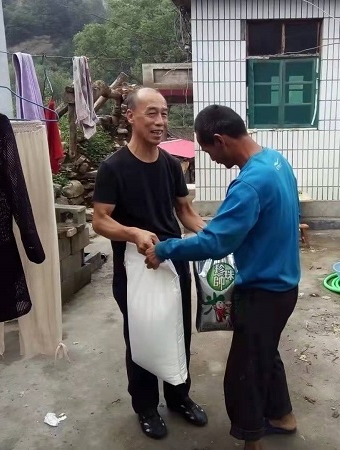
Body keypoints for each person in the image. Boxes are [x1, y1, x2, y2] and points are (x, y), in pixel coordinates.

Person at [145, 105, 301, 450]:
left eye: (208, 151)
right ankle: (282, 416)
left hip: (263, 292)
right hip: (284, 285)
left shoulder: (249, 184)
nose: (212, 159)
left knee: (244, 374)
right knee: (264, 354)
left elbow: (217, 244)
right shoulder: (275, 161)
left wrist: (165, 249)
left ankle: (251, 441)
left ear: (220, 140)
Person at [92, 87, 208, 440]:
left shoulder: (171, 165)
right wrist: (132, 232)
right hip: (135, 268)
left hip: (173, 262)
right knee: (141, 337)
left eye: (164, 114)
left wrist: (216, 236)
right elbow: (100, 220)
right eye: (152, 113)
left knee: (177, 331)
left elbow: (185, 210)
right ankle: (145, 406)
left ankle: (179, 396)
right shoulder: (113, 167)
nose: (160, 121)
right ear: (130, 116)